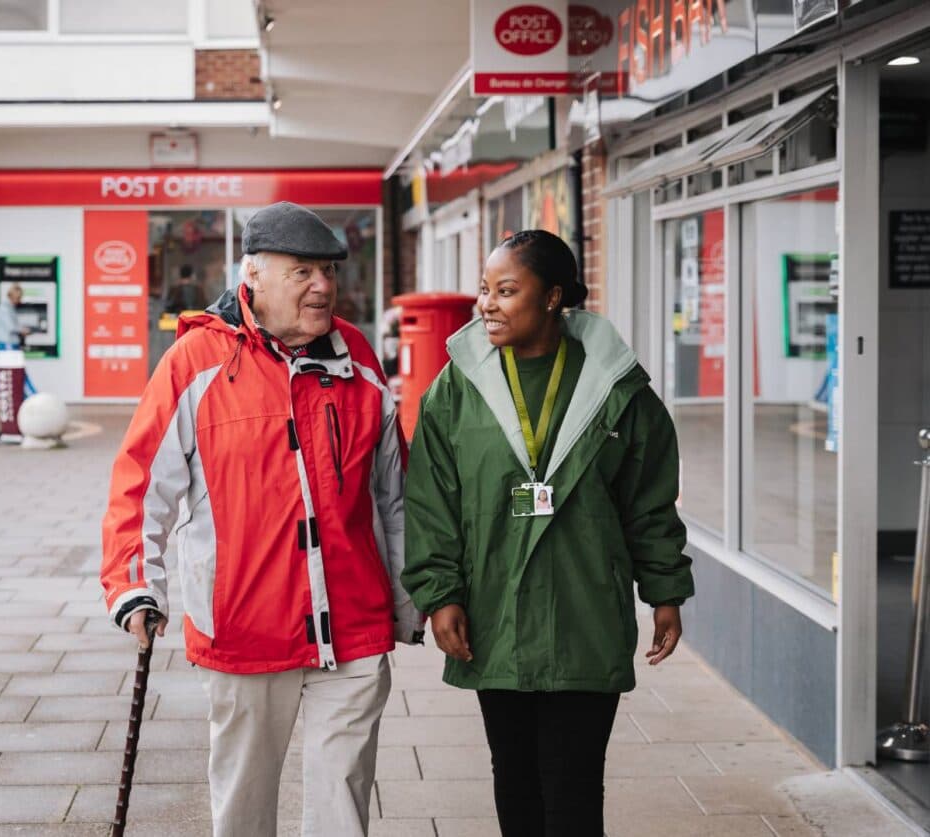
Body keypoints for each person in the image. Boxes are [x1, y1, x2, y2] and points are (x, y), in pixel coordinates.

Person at [101, 201, 424, 837]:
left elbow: (394, 493)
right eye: (302, 271)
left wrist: (416, 597)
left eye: (328, 270)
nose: (323, 286)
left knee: (344, 808)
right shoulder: (195, 362)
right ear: (253, 275)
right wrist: (135, 584)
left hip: (353, 628)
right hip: (245, 629)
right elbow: (140, 487)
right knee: (244, 809)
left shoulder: (356, 355)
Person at [402, 229, 694, 837]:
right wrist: (440, 595)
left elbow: (650, 503)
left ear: (554, 296)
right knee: (513, 772)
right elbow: (431, 503)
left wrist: (664, 591)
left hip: (585, 610)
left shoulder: (619, 392)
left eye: (507, 291)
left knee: (575, 779)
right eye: (485, 289)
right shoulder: (455, 391)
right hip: (494, 611)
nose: (487, 303)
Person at [0, 283, 31, 349]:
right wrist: (23, 330)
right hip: (7, 344)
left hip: (10, 343)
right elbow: (11, 327)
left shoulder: (10, 307)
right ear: (14, 296)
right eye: (19, 297)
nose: (20, 300)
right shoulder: (4, 308)